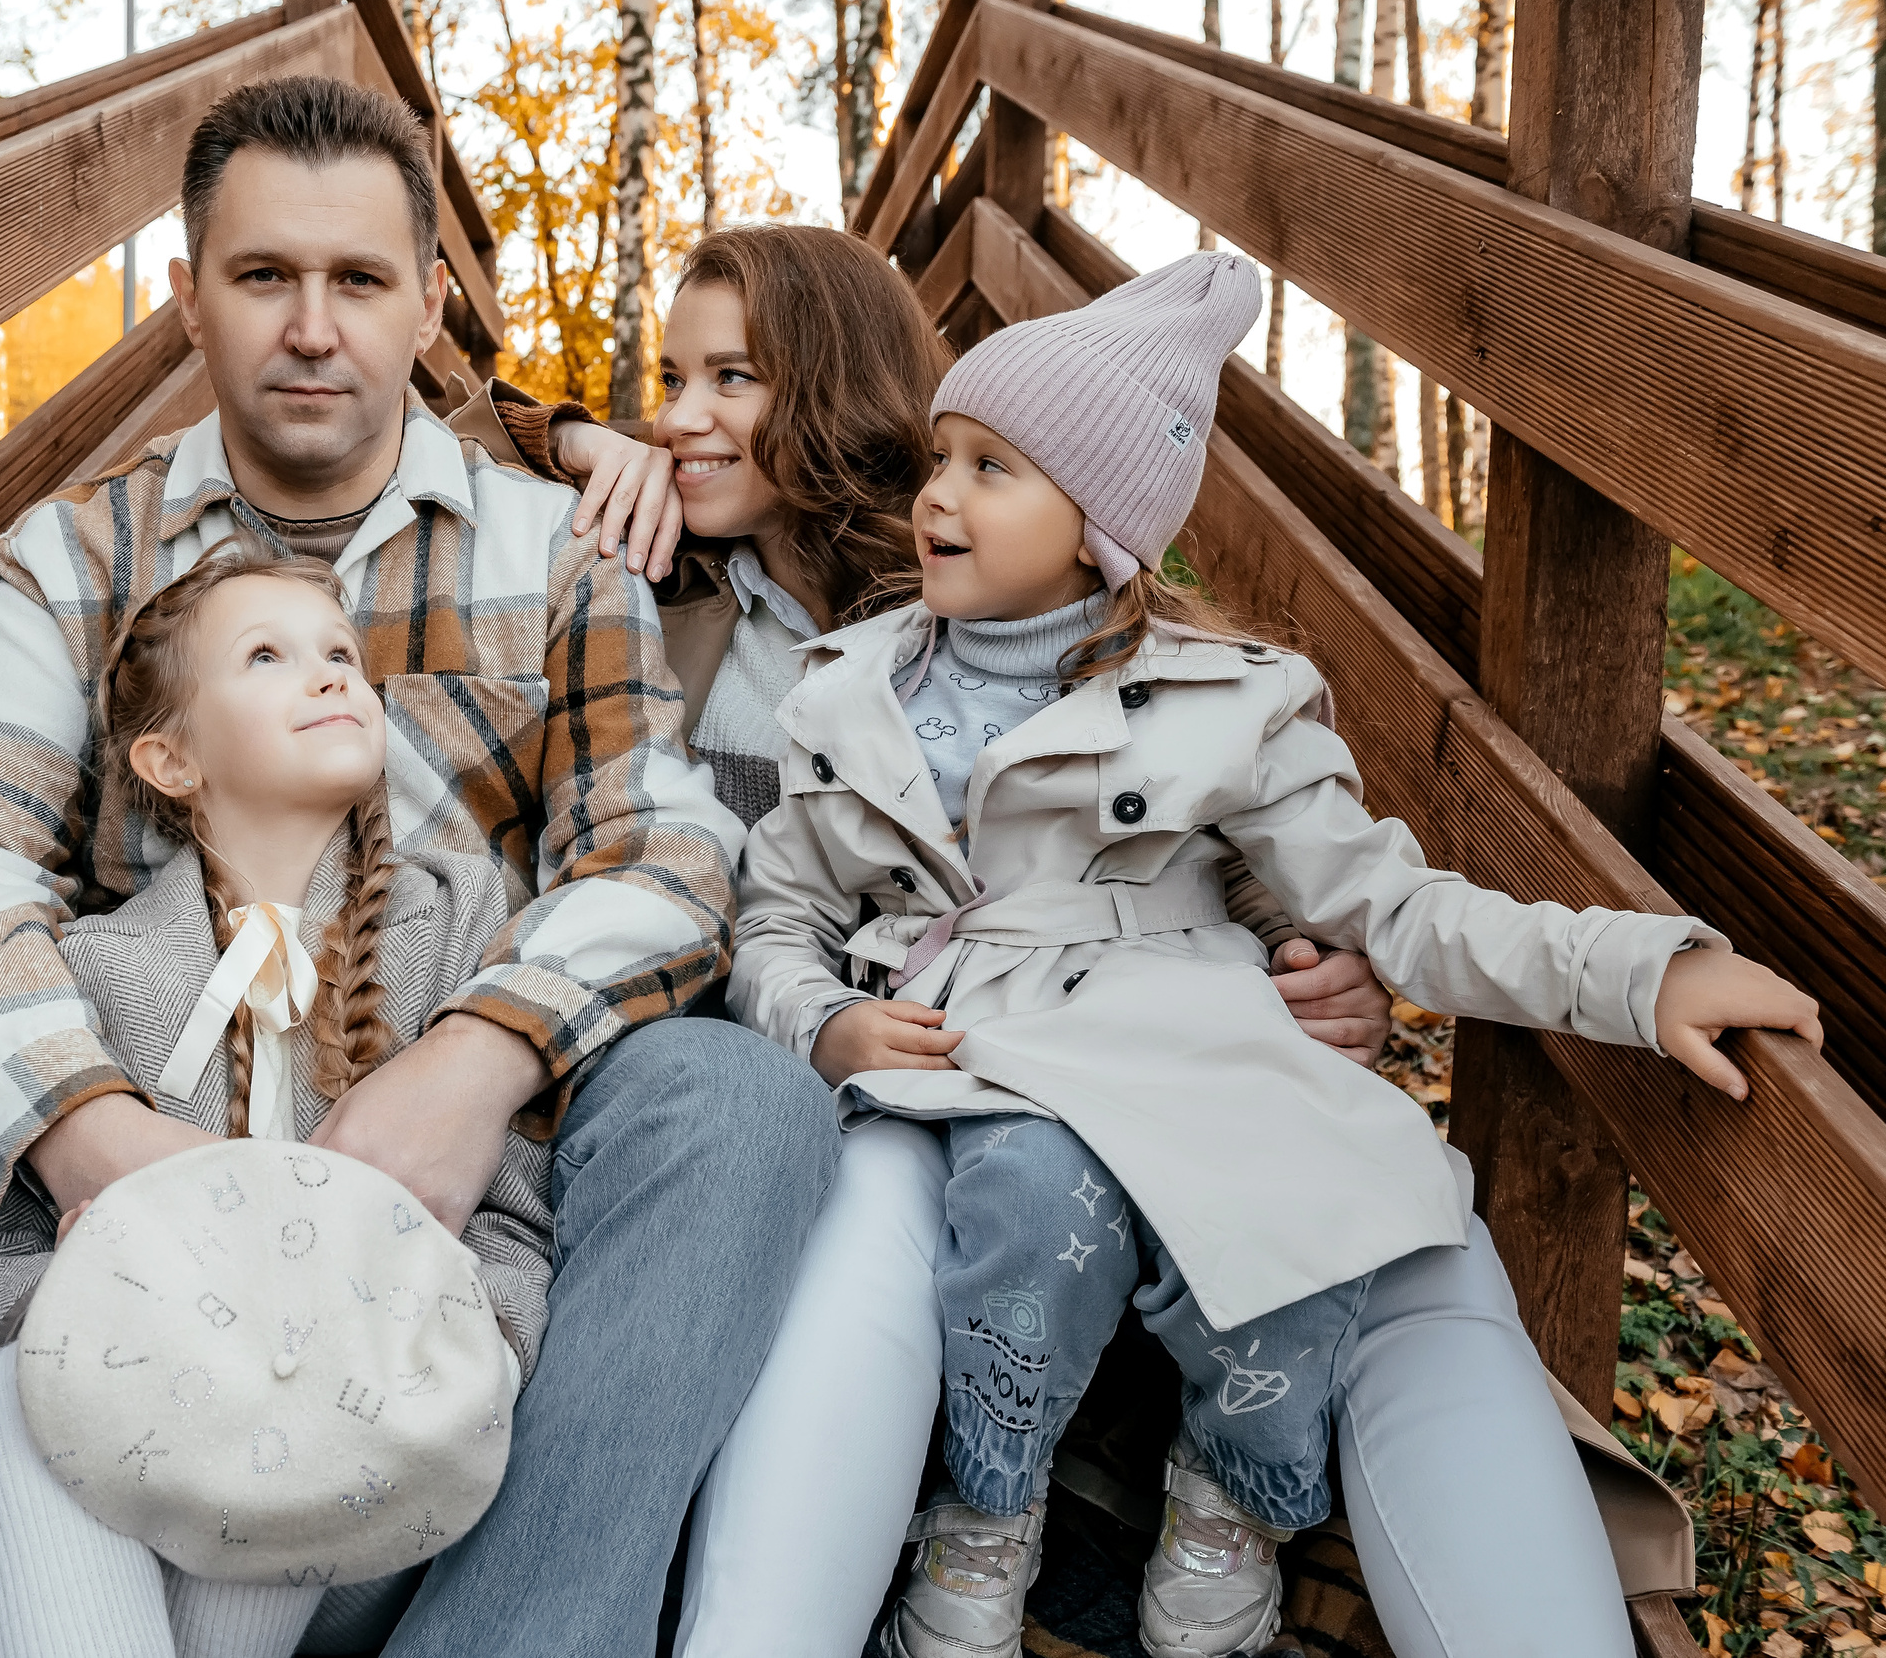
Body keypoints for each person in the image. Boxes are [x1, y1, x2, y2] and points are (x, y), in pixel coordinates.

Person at [0, 75, 837, 1658]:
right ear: (189, 298)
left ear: (430, 307)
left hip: (432, 1185)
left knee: (746, 1103)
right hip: (151, 1086)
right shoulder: (82, 555)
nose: (312, 328)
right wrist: (92, 1135)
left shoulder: (558, 555)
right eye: (265, 277)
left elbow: (664, 856)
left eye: (359, 280)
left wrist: (469, 1065)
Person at [723, 249, 1821, 1657]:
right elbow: (778, 913)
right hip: (978, 1058)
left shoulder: (1223, 704)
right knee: (1031, 1215)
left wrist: (1638, 970)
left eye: (994, 466)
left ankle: (1230, 1505)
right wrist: (822, 1020)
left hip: (1195, 1039)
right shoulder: (852, 690)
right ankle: (985, 1521)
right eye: (942, 454)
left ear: (1099, 526)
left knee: (1307, 1213)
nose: (937, 494)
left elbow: (1395, 905)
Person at [0, 552, 547, 1657]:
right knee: (31, 1374)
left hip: (372, 1465)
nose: (329, 678)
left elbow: (513, 1222)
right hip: (119, 1467)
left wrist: (417, 1318)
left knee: (301, 1395)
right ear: (169, 758)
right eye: (269, 656)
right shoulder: (92, 970)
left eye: (342, 656)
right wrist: (92, 1285)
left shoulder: (464, 926)